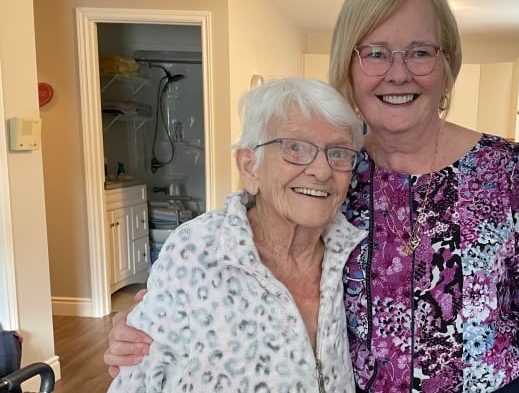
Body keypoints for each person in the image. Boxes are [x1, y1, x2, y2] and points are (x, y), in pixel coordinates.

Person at [106, 0, 519, 392]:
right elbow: (246, 243)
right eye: (375, 53)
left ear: (445, 65)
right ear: (349, 68)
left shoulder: (504, 170)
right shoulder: (334, 171)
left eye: (419, 52)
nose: (398, 73)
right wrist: (156, 317)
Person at [106, 78, 365, 392]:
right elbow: (136, 378)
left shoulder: (358, 255)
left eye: (338, 152)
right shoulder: (196, 251)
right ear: (249, 166)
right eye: (295, 148)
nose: (322, 171)